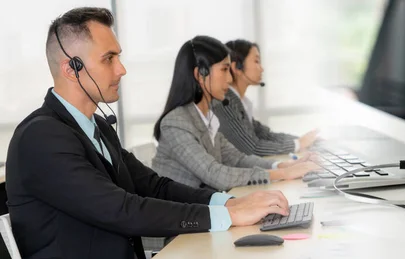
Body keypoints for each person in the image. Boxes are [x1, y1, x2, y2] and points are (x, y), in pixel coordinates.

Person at [5, 7, 290, 259]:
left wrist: (228, 202)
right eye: (109, 59)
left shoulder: (98, 127)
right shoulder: (41, 137)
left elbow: (154, 186)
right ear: (72, 69)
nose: (122, 69)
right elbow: (121, 209)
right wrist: (227, 216)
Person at [151, 36, 319, 192]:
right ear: (200, 74)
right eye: (224, 70)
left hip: (203, 207)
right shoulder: (176, 123)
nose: (230, 79)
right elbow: (215, 174)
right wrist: (283, 174)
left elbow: (237, 159)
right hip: (180, 218)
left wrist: (283, 166)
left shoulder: (207, 116)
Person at [211, 39, 319, 156]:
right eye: (256, 61)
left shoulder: (239, 103)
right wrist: (297, 144)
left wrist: (306, 140)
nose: (261, 69)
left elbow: (266, 135)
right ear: (237, 67)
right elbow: (253, 148)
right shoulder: (226, 102)